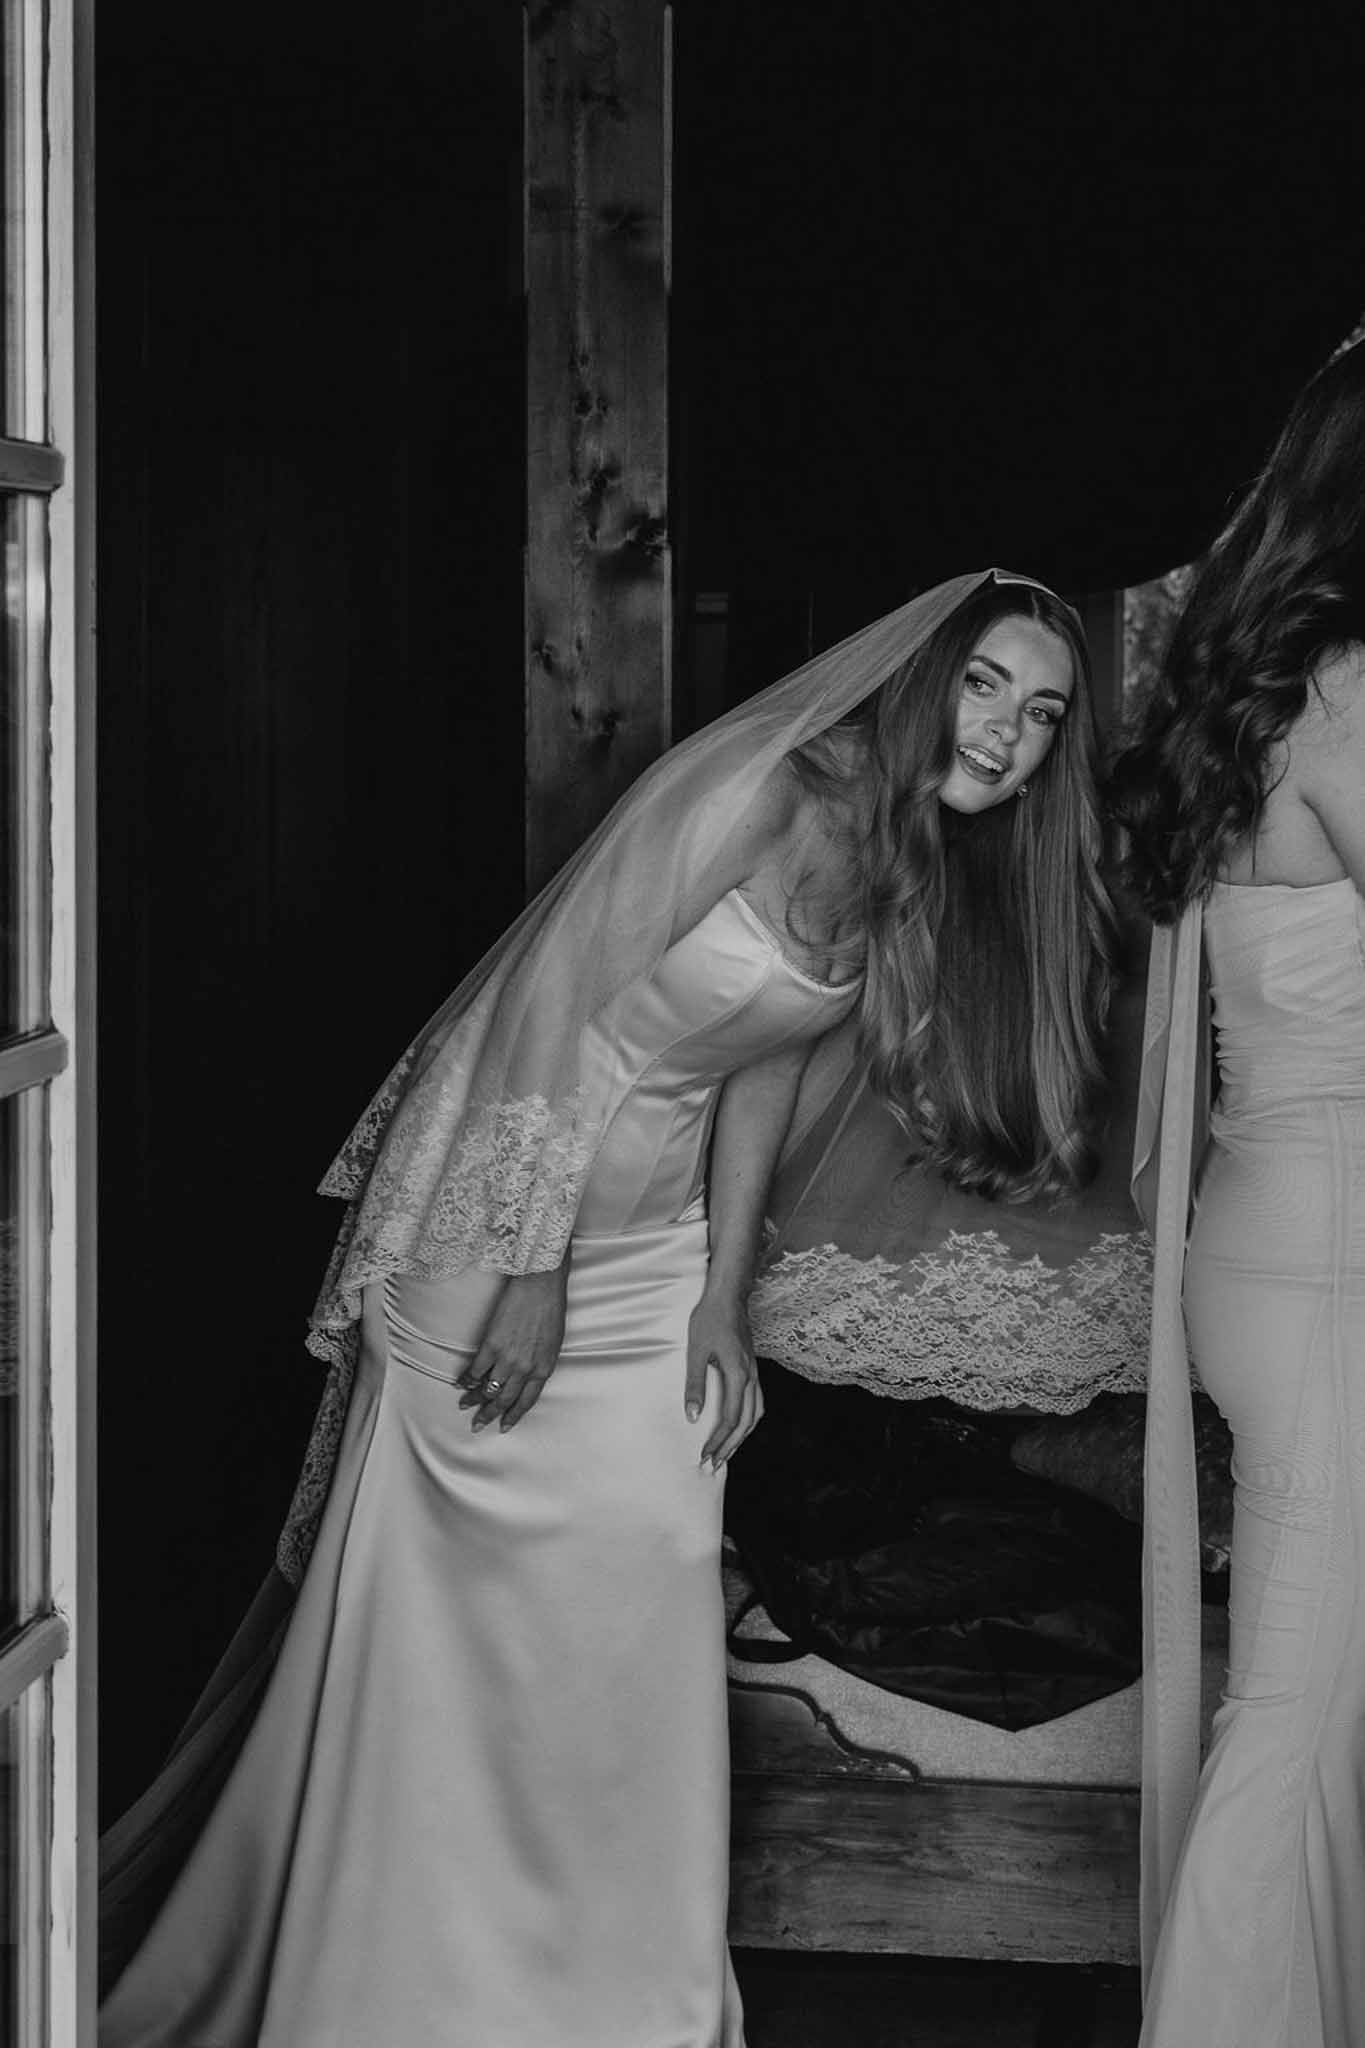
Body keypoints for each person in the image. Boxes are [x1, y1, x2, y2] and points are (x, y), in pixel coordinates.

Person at [99, 569, 1112, 2048]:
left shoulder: (904, 855)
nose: (1008, 737)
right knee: (454, 1639)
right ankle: (402, 1992)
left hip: (652, 1259)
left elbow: (759, 1061)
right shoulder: (765, 788)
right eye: (985, 687)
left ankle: (623, 2000)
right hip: (500, 1222)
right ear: (916, 676)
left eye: (1042, 714)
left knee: (644, 1577)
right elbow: (547, 1010)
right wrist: (528, 1263)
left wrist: (721, 1295)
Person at [1112, 337, 1365, 2048]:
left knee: (1319, 1700)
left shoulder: (1245, 689)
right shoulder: (1352, 690)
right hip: (1334, 1254)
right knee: (1292, 1707)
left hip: (1265, 1237)